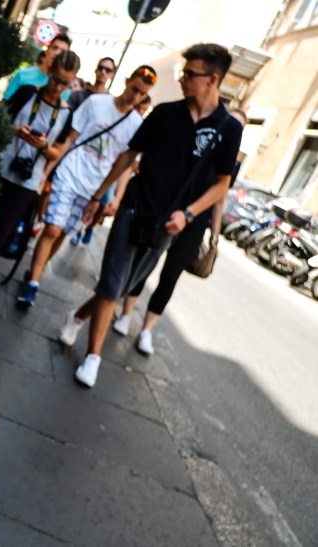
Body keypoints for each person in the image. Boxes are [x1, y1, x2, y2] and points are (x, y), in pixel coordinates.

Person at [58, 43, 244, 388]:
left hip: (169, 224)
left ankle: (77, 316)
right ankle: (93, 357)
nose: (183, 79)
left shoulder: (228, 129)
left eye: (190, 74)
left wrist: (188, 215)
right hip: (134, 206)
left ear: (212, 79)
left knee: (123, 286)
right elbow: (129, 157)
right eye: (183, 72)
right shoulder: (164, 113)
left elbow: (221, 186)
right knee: (113, 283)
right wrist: (100, 197)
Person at [15, 65, 156, 308]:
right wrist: (47, 173)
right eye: (134, 89)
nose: (135, 96)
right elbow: (69, 139)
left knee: (64, 231)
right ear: (126, 81)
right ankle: (33, 285)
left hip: (93, 186)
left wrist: (111, 196)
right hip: (70, 172)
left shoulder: (136, 125)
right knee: (52, 229)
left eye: (142, 94)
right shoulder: (97, 103)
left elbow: (124, 165)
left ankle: (33, 273)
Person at [0, 50, 80, 315]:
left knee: (0, 231)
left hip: (28, 181)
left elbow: (57, 152)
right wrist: (16, 131)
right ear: (49, 72)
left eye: (65, 83)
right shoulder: (26, 93)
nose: (58, 87)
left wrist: (44, 146)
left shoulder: (67, 114)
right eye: (56, 79)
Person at [112, 108, 247, 354]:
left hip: (194, 223)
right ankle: (125, 314)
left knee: (170, 276)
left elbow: (220, 197)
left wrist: (214, 235)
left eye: (239, 127)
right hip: (168, 211)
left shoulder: (230, 162)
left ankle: (146, 330)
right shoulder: (197, 138)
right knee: (143, 263)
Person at [71, 94, 152, 246]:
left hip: (113, 176)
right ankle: (79, 229)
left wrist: (118, 196)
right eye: (139, 107)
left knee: (103, 204)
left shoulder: (138, 126)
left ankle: (88, 227)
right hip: (95, 169)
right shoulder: (119, 117)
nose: (140, 111)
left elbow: (129, 165)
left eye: (144, 109)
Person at [3, 34, 72, 101]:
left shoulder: (64, 90)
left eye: (62, 52)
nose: (57, 53)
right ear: (47, 50)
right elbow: (5, 106)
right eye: (54, 48)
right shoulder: (22, 75)